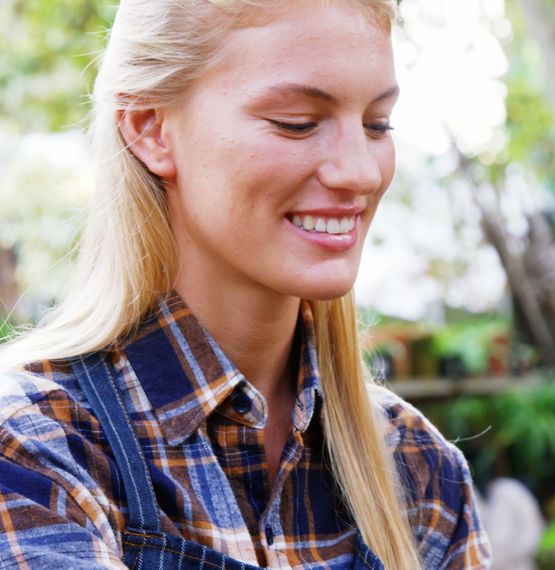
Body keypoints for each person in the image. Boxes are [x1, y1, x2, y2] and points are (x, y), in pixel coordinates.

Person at [0, 1, 491, 568]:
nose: (361, 171)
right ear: (150, 129)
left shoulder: (420, 469)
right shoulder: (34, 448)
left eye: (376, 124)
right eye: (297, 122)